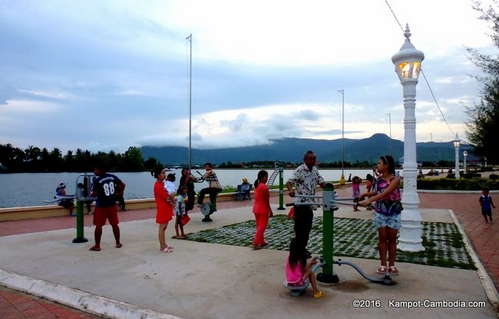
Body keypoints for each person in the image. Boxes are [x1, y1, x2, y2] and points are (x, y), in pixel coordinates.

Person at [359, 155, 402, 276]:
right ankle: (383, 264)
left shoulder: (395, 180)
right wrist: (365, 194)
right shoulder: (379, 180)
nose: (377, 165)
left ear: (386, 165)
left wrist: (369, 200)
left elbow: (385, 193)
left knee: (392, 239)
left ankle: (392, 265)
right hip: (381, 211)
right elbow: (377, 191)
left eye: (379, 163)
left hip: (393, 212)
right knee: (382, 238)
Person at [286, 150, 326, 258]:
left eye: (314, 159)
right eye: (310, 159)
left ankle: (302, 249)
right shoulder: (300, 170)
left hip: (309, 205)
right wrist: (290, 190)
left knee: (307, 229)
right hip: (300, 205)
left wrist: (329, 188)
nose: (313, 161)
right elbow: (289, 182)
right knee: (300, 230)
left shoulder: (315, 170)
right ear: (305, 160)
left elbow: (321, 182)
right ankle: (297, 252)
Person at [89, 163, 124, 251]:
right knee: (115, 224)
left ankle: (97, 246)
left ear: (101, 170)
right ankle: (118, 243)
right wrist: (119, 194)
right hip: (112, 204)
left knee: (98, 226)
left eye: (96, 169)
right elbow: (122, 185)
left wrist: (90, 191)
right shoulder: (112, 177)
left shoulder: (97, 181)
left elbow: (94, 193)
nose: (94, 171)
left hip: (101, 206)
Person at [152, 166, 175, 252]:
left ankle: (164, 244)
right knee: (162, 227)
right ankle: (162, 246)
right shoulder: (158, 185)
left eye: (164, 172)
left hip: (166, 207)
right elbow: (166, 198)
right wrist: (173, 203)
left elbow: (168, 194)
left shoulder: (163, 184)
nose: (164, 175)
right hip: (163, 208)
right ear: (158, 175)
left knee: (164, 227)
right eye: (163, 173)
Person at [252, 170, 273, 250]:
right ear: (261, 177)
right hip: (262, 209)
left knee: (259, 226)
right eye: (266, 177)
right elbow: (266, 200)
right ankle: (256, 243)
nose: (267, 178)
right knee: (262, 226)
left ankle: (261, 241)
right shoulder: (264, 187)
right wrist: (270, 210)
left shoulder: (257, 185)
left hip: (256, 208)